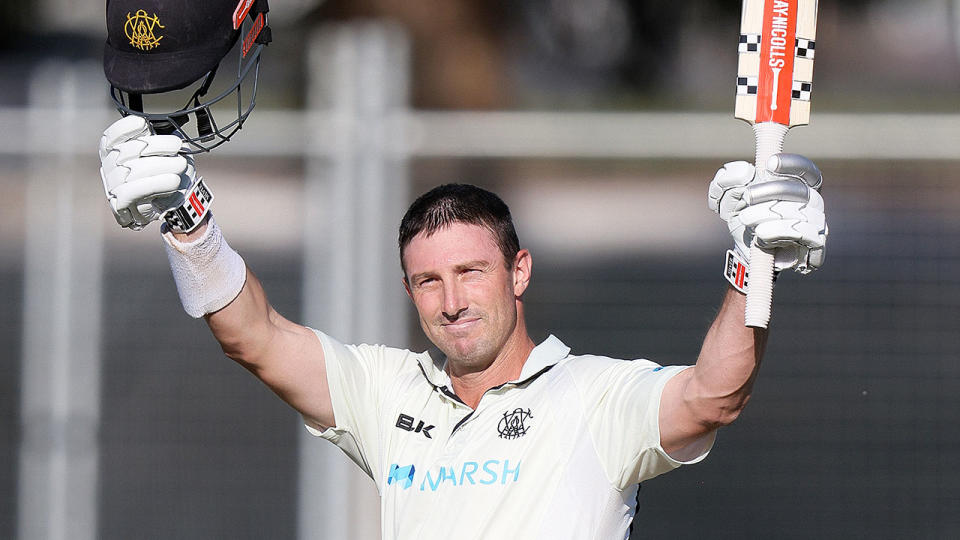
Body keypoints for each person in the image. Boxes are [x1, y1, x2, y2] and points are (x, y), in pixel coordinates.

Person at [99, 115, 826, 539]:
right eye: (429, 280)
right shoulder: (388, 393)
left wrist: (750, 266)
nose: (451, 301)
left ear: (519, 272)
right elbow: (251, 337)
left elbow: (713, 396)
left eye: (472, 272)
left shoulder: (595, 396)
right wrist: (187, 223)